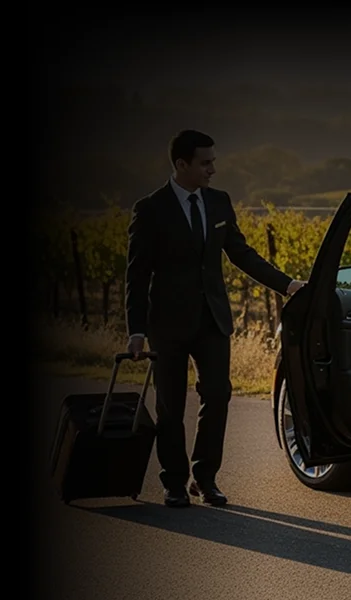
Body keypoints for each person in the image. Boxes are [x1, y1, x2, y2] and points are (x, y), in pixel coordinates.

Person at [125, 129, 306, 508]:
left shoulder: (219, 202)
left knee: (219, 395)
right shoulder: (151, 208)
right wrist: (137, 331)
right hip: (168, 325)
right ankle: (173, 482)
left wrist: (287, 285)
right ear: (181, 164)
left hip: (213, 321)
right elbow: (137, 274)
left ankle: (204, 479)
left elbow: (242, 254)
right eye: (205, 162)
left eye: (213, 161)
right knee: (171, 405)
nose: (212, 169)